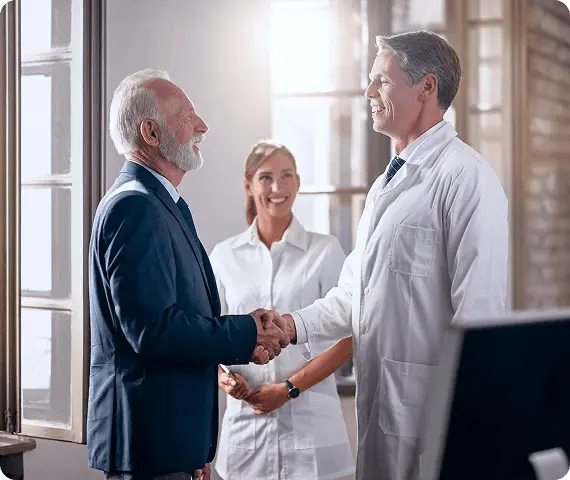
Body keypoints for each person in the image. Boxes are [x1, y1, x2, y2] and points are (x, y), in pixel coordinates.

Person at [280, 30, 509, 480]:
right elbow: (354, 294)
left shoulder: (466, 178)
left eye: (381, 81)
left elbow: (479, 318)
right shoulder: (387, 185)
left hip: (433, 427)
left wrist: (470, 435)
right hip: (384, 420)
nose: (368, 93)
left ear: (426, 88)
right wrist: (291, 325)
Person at [87, 70, 290, 480]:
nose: (202, 126)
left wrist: (193, 448)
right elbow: (152, 330)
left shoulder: (160, 202)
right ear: (151, 132)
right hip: (148, 445)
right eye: (187, 115)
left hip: (171, 444)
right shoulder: (136, 207)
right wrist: (248, 333)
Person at [209, 140, 356, 480]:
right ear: (248, 184)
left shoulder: (325, 251)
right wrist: (223, 378)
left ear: (298, 183)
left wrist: (288, 388)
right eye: (266, 177)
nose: (278, 187)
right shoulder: (223, 256)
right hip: (245, 437)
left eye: (286, 175)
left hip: (313, 435)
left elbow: (348, 337)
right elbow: (209, 334)